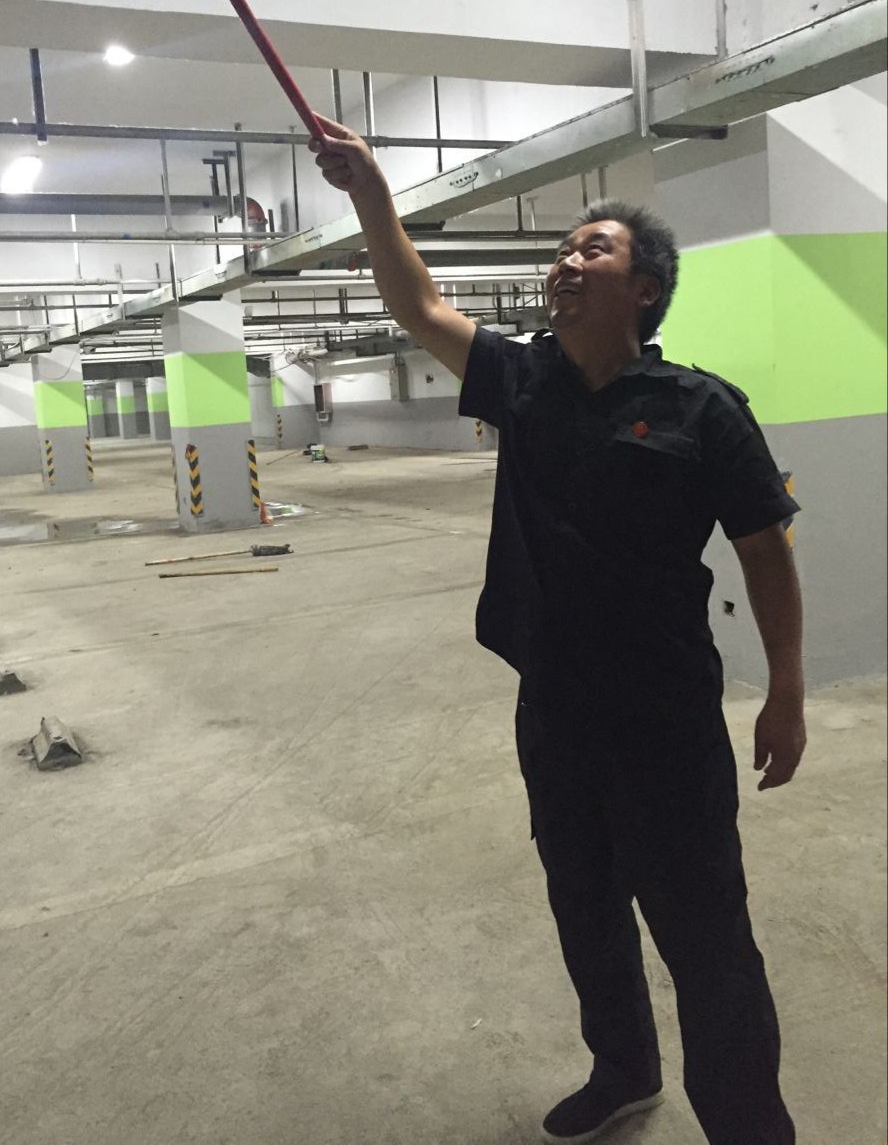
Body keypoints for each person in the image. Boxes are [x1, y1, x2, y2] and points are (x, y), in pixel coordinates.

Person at [310, 113, 806, 1145]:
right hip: (554, 711)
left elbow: (765, 550)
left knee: (705, 939)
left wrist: (787, 693)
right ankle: (622, 1070)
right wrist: (372, 194)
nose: (565, 263)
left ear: (643, 288)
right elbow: (417, 302)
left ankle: (749, 1126)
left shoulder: (699, 408)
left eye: (593, 249)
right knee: (583, 905)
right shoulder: (522, 380)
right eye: (562, 250)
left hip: (665, 719)